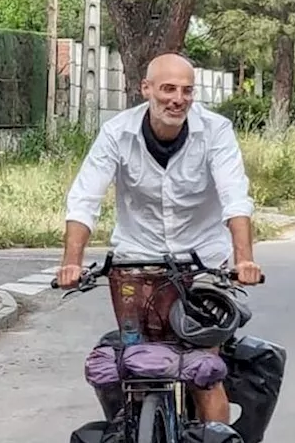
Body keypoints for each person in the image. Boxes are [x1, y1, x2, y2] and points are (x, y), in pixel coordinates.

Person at [56, 52, 262, 423]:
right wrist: (71, 263)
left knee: (205, 370)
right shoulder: (117, 132)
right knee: (134, 364)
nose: (177, 99)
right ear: (146, 89)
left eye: (186, 91)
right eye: (168, 89)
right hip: (137, 263)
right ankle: (136, 440)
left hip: (203, 264)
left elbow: (235, 197)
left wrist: (243, 259)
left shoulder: (215, 132)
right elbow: (85, 197)